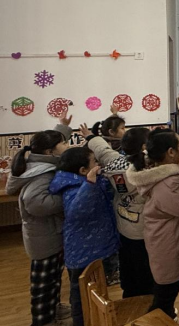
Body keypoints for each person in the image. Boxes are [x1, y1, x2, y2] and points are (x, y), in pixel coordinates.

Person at [126, 127, 179, 321]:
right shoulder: (167, 185)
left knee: (166, 289)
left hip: (165, 240)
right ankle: (159, 320)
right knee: (165, 293)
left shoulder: (157, 171)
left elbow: (178, 145)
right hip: (167, 245)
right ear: (170, 153)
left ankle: (165, 316)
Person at [6, 111, 72, 326]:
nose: (67, 146)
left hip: (45, 234)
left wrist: (62, 127)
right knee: (43, 285)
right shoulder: (43, 173)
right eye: (64, 143)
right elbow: (36, 203)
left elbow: (51, 144)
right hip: (45, 238)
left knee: (53, 279)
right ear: (49, 152)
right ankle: (43, 320)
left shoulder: (37, 163)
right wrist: (68, 198)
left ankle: (53, 309)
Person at [81, 123, 155, 297]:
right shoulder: (151, 171)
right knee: (146, 273)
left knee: (128, 268)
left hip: (123, 228)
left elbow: (102, 150)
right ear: (144, 147)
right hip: (143, 233)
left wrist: (90, 137)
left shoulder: (115, 162)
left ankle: (129, 296)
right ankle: (147, 304)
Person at [48, 146, 120, 326]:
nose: (98, 163)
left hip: (97, 247)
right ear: (83, 170)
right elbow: (76, 212)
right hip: (83, 252)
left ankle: (96, 319)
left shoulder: (88, 182)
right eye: (94, 161)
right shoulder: (74, 186)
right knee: (81, 295)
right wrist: (90, 184)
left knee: (96, 292)